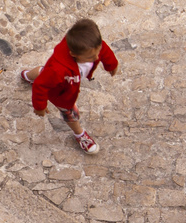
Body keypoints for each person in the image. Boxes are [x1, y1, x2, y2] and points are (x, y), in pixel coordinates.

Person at [18, 17, 118, 154]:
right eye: (91, 57)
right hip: (61, 92)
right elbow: (40, 87)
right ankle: (80, 134)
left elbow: (104, 49)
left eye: (97, 52)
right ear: (74, 54)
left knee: (43, 73)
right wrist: (39, 106)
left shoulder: (91, 47)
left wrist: (111, 64)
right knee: (70, 113)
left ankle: (27, 75)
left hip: (54, 76)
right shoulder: (57, 70)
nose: (96, 58)